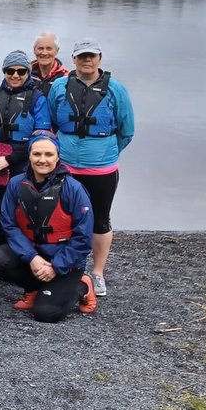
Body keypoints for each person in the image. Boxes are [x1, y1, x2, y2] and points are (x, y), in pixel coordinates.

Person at [47, 39, 135, 299]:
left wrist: (106, 152)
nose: (87, 60)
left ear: (99, 58)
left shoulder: (116, 89)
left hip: (101, 169)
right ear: (73, 59)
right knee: (62, 217)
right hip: (65, 167)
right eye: (82, 56)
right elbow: (51, 122)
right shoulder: (59, 87)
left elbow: (127, 130)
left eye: (92, 56)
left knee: (100, 219)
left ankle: (97, 272)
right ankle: (65, 266)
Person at [0, 130, 97, 323]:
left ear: (58, 157)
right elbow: (9, 225)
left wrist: (57, 266)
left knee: (46, 313)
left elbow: (83, 238)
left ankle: (83, 286)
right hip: (35, 255)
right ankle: (33, 288)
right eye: (37, 154)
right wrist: (31, 257)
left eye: (49, 154)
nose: (42, 160)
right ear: (29, 156)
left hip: (65, 261)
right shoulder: (16, 184)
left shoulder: (73, 189)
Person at [0, 50, 51, 253]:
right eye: (10, 71)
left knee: (21, 213)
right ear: (4, 72)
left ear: (28, 72)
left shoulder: (37, 99)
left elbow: (41, 137)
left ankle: (25, 256)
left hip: (22, 165)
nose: (15, 75)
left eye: (21, 71)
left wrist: (9, 159)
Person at [30, 32, 69, 97]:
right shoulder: (25, 74)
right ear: (34, 50)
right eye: (40, 48)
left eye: (49, 49)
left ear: (57, 51)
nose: (44, 53)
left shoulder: (65, 77)